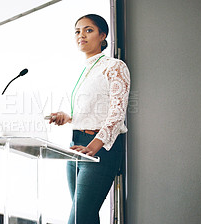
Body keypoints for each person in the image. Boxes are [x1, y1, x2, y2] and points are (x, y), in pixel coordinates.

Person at [48, 14, 130, 224]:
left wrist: (95, 146)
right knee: (86, 217)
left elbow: (116, 113)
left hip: (100, 149)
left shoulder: (115, 66)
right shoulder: (81, 70)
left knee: (79, 219)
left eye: (88, 30)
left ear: (103, 35)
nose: (81, 35)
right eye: (77, 31)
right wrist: (67, 117)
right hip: (75, 146)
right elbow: (92, 111)